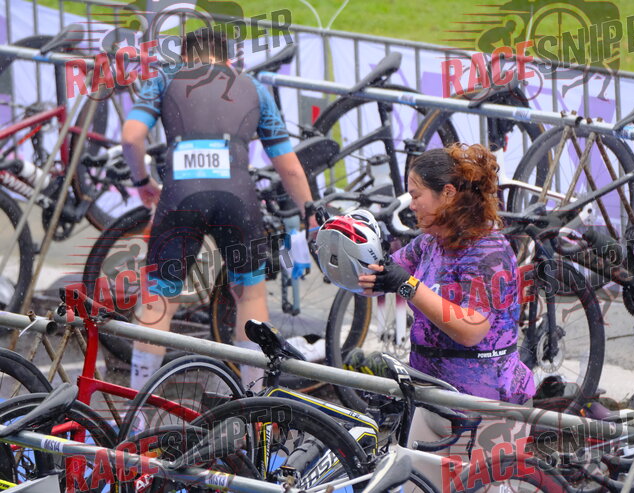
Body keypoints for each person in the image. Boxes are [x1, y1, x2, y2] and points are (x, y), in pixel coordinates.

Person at [121, 27, 317, 393]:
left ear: (183, 57)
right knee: (250, 295)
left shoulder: (164, 79)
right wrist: (309, 212)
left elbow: (131, 137)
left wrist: (142, 181)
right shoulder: (253, 87)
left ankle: (138, 407)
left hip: (180, 196)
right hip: (237, 199)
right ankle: (256, 401)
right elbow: (289, 167)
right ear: (228, 59)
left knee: (159, 299)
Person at [358, 143, 536, 403]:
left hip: (485, 403)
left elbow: (470, 330)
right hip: (431, 393)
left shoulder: (488, 252)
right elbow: (374, 277)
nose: (412, 206)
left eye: (416, 196)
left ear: (448, 193)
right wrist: (344, 243)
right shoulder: (430, 243)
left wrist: (408, 286)